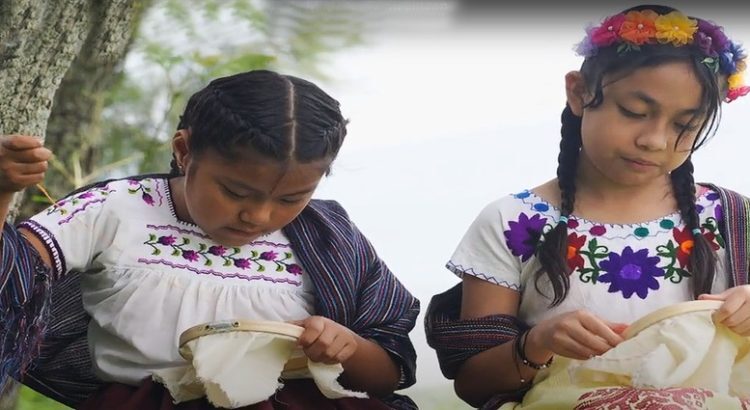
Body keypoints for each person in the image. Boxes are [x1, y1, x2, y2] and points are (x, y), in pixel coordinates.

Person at [0, 70, 420, 409]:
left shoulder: (329, 237)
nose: (258, 215)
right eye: (236, 192)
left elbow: (387, 375)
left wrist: (345, 346)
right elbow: (7, 283)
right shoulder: (111, 208)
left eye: (291, 198)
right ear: (184, 151)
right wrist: (2, 190)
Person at [425, 4, 750, 409]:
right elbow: (473, 384)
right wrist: (536, 343)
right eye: (634, 112)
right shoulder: (513, 222)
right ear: (578, 93)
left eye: (685, 124)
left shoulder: (730, 217)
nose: (654, 139)